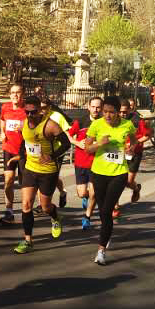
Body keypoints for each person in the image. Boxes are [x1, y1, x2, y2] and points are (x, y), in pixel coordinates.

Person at [10, 95, 71, 253]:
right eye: (27, 112)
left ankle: (55, 217)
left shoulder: (50, 125)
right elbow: (25, 142)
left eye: (33, 112)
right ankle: (28, 240)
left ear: (40, 110)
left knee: (45, 207)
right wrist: (20, 156)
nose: (30, 115)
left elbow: (66, 143)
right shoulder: (25, 123)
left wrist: (51, 156)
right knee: (26, 204)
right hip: (30, 169)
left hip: (47, 171)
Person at [85, 95, 137, 265]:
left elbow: (135, 141)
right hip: (98, 173)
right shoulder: (96, 124)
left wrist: (131, 149)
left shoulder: (127, 125)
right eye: (105, 112)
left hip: (118, 173)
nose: (107, 115)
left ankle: (101, 251)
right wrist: (99, 144)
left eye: (111, 112)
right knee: (102, 212)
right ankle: (106, 235)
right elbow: (87, 149)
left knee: (107, 211)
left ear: (118, 113)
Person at [68, 96, 102, 230]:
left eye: (98, 107)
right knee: (82, 193)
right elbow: (68, 135)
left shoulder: (104, 123)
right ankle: (85, 197)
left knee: (94, 193)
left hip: (96, 163)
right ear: (88, 107)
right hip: (81, 162)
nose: (95, 109)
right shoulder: (80, 122)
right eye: (93, 106)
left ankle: (87, 217)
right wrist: (77, 143)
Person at [117, 100, 148, 218]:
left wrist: (134, 144)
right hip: (119, 153)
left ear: (130, 110)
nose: (122, 114)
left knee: (128, 182)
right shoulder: (115, 121)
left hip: (135, 153)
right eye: (119, 112)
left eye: (124, 112)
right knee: (117, 179)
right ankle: (115, 206)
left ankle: (136, 188)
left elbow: (147, 135)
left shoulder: (138, 120)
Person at [0, 84, 26, 225]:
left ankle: (26, 209)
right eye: (12, 92)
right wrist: (2, 133)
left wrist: (23, 128)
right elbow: (2, 119)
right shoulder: (5, 107)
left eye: (18, 92)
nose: (15, 95)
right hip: (9, 148)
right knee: (8, 180)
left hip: (24, 151)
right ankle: (9, 211)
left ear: (23, 94)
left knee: (24, 184)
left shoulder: (27, 109)